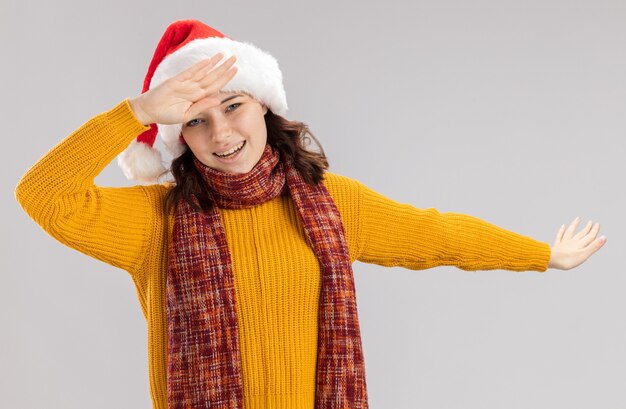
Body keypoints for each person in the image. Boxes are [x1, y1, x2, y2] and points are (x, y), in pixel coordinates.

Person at [14, 19, 606, 409]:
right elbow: (43, 195)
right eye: (195, 119)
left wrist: (542, 255)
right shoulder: (154, 222)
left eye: (233, 105)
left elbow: (434, 233)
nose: (221, 133)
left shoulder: (331, 204)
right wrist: (136, 110)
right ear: (179, 138)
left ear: (264, 107)